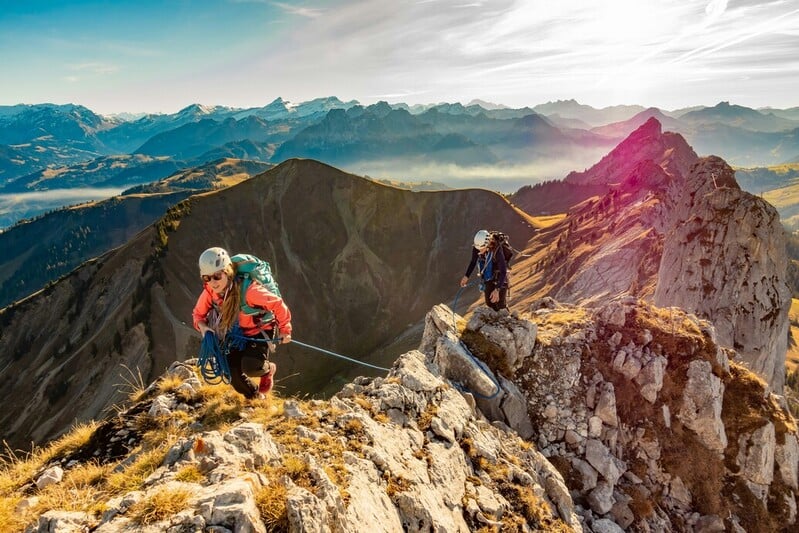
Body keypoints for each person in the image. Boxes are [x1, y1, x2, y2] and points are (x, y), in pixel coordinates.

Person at [192, 247, 292, 399]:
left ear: (227, 271)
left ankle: (267, 370)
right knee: (232, 373)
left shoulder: (250, 291)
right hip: (235, 334)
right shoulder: (210, 292)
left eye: (217, 276)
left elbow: (277, 304)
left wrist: (285, 330)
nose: (212, 282)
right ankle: (255, 398)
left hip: (259, 330)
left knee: (251, 366)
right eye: (207, 278)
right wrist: (204, 328)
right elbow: (198, 315)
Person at [460, 229, 508, 311]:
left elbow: (503, 271)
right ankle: (494, 321)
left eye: (481, 249)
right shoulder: (478, 246)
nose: (479, 251)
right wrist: (466, 276)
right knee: (489, 302)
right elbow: (473, 261)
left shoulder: (497, 251)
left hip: (500, 275)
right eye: (477, 248)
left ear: (488, 244)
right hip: (488, 276)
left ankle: (508, 320)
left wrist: (497, 289)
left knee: (500, 304)